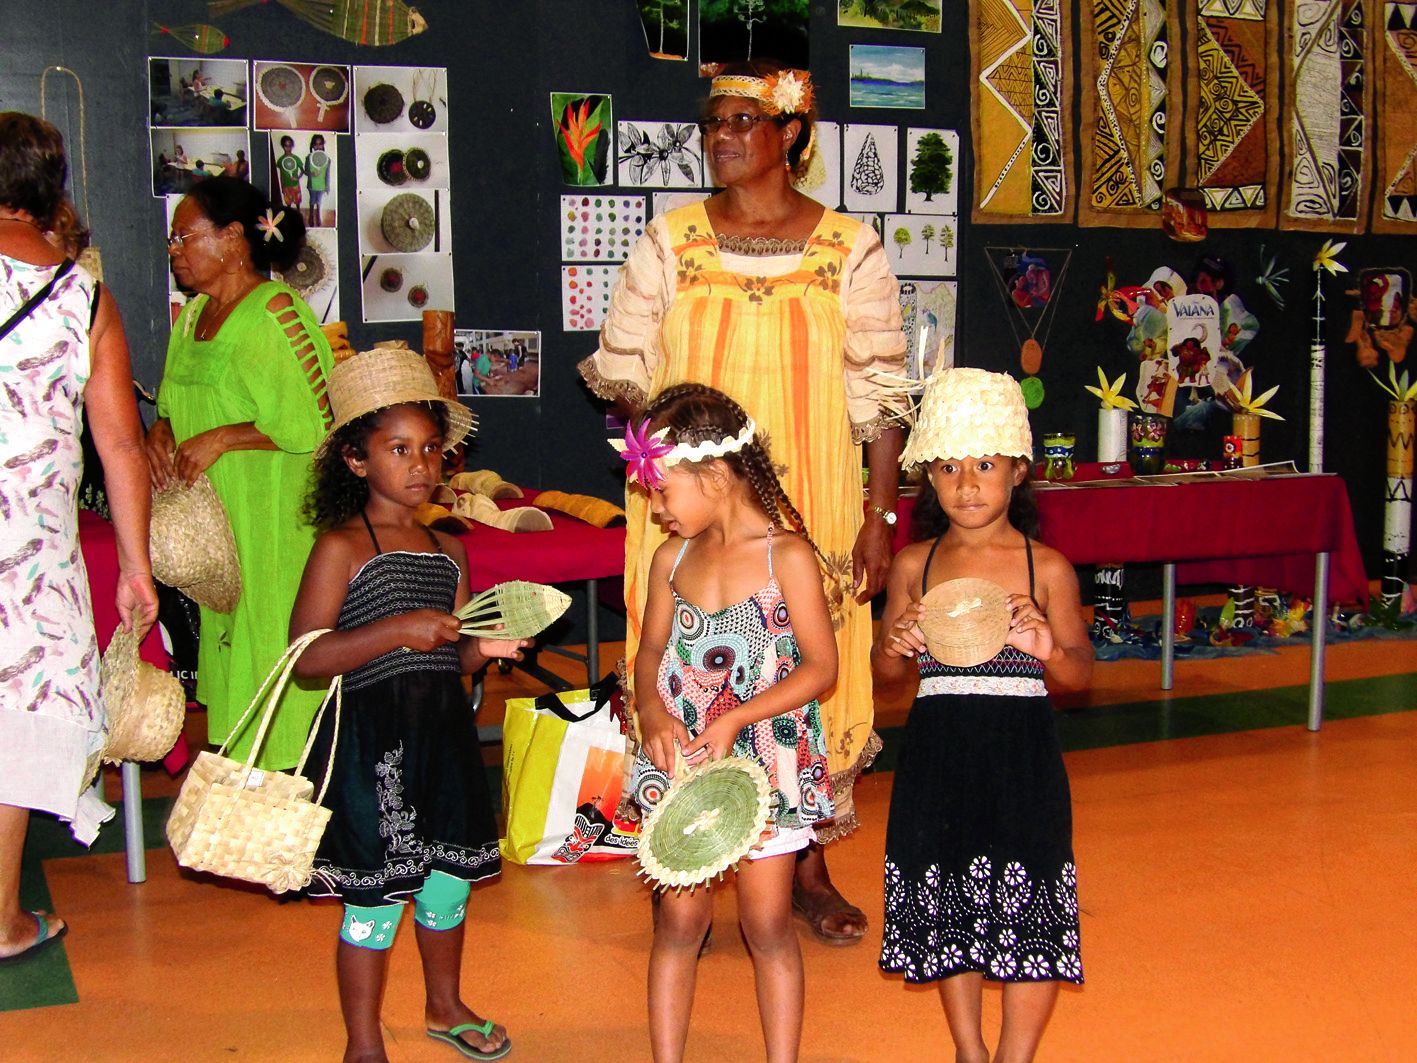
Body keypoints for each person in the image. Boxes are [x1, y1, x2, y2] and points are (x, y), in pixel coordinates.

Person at [578, 61, 907, 944]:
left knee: (802, 671)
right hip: (689, 504)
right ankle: (686, 839)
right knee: (692, 670)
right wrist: (680, 461)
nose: (720, 135)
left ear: (791, 134)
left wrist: (879, 517)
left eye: (742, 121)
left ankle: (804, 861)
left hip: (814, 499)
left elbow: (879, 393)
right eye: (712, 121)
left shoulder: (850, 247)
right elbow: (621, 376)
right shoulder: (670, 240)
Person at [290, 347, 523, 1063]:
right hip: (370, 747)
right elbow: (305, 656)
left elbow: (451, 657)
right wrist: (396, 629)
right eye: (398, 449)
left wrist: (482, 651)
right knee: (374, 898)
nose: (421, 464)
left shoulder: (447, 551)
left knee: (447, 881)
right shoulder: (340, 547)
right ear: (356, 460)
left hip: (441, 741)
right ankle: (363, 1038)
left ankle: (443, 1003)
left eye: (431, 449)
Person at [872, 369, 1092, 1063]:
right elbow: (884, 678)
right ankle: (968, 1048)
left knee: (1030, 894)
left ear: (1018, 471)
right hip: (939, 754)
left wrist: (1046, 645)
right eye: (947, 467)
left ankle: (1013, 1055)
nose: (966, 483)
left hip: (1021, 756)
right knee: (951, 897)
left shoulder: (1046, 567)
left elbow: (1079, 673)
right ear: (927, 478)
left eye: (985, 465)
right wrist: (895, 641)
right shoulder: (913, 563)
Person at [625, 384, 837, 1063]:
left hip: (765, 761)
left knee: (767, 923)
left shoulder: (788, 558)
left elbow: (819, 669)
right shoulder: (672, 559)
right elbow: (650, 653)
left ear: (713, 477)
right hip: (686, 761)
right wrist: (653, 709)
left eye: (662, 492)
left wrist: (738, 716)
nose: (656, 509)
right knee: (679, 922)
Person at [0, 112, 158, 962]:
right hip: (28, 548)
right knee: (14, 712)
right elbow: (120, 444)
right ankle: (1, 917)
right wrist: (136, 566)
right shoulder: (81, 296)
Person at [143, 175, 334, 769]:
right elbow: (172, 403)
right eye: (173, 240)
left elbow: (316, 423)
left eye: (183, 238)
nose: (174, 250)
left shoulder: (278, 314)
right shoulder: (193, 315)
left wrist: (226, 437)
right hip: (217, 533)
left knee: (274, 644)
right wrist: (160, 431)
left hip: (274, 525)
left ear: (231, 239)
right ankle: (247, 787)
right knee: (232, 646)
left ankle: (297, 793)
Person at [305, 135, 330, 228]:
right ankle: (311, 215)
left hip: (321, 186)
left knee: (319, 201)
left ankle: (318, 215)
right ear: (312, 146)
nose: (318, 146)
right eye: (315, 144)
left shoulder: (327, 160)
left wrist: (327, 187)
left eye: (320, 144)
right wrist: (312, 174)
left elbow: (327, 174)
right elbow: (306, 171)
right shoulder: (308, 158)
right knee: (312, 200)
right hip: (311, 186)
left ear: (323, 145)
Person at [275, 135, 304, 211]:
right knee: (288, 203)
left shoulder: (296, 158)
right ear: (282, 146)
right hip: (286, 186)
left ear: (292, 146)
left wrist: (298, 177)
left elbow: (303, 170)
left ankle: (298, 213)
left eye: (290, 146)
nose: (288, 148)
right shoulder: (281, 160)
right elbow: (281, 174)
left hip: (295, 185)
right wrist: (282, 186)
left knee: (297, 202)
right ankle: (289, 215)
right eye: (286, 146)